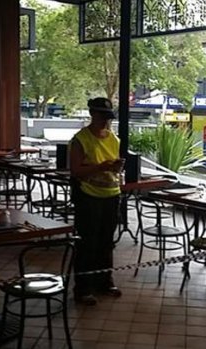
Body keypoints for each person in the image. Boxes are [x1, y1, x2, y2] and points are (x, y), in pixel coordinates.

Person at [69, 97, 124, 305]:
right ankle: (82, 288)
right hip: (88, 197)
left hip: (111, 195)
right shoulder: (80, 139)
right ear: (92, 114)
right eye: (102, 116)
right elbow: (75, 171)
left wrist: (116, 168)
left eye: (108, 117)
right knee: (87, 243)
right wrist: (101, 167)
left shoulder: (114, 139)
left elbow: (113, 167)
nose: (106, 122)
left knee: (106, 242)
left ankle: (104, 282)